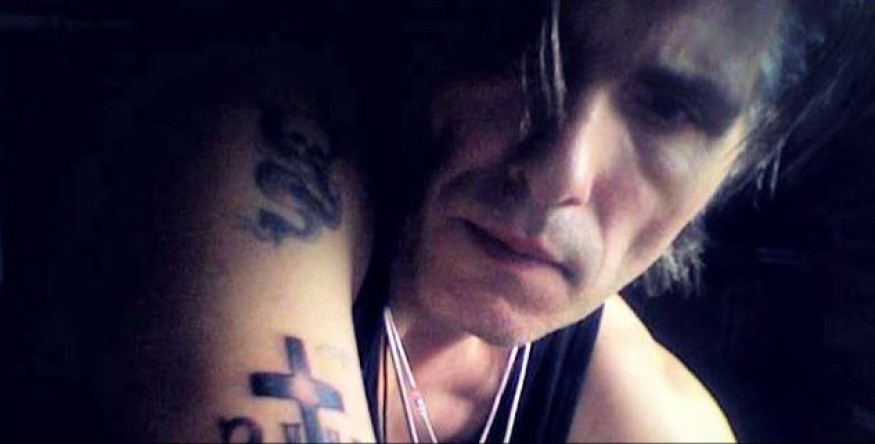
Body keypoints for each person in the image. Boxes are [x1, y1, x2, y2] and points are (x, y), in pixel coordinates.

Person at [20, 0, 855, 442]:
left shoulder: (654, 420)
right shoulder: (256, 162)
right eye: (526, 55)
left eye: (667, 111)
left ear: (737, 161)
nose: (559, 173)